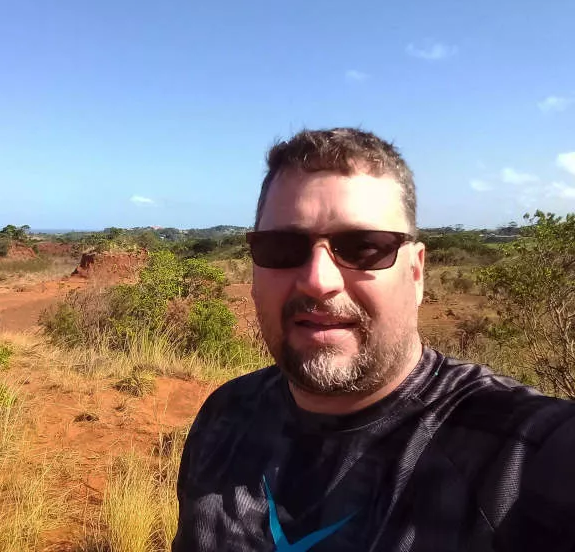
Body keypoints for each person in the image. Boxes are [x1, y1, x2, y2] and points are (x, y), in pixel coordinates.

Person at [172, 128, 575, 551]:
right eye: (282, 247)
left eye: (364, 247)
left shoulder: (526, 455)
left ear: (416, 273)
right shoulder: (226, 415)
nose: (318, 281)